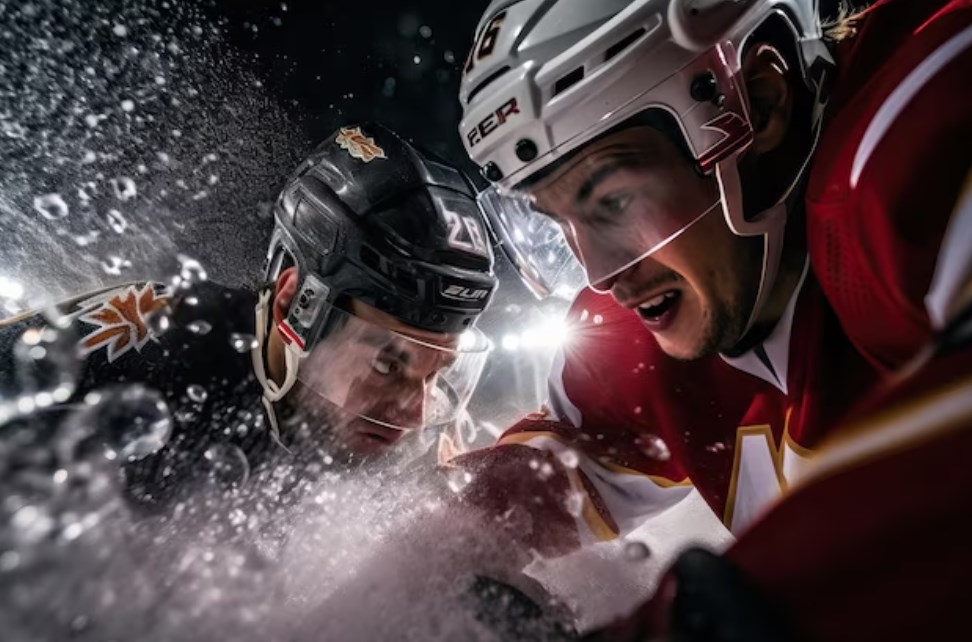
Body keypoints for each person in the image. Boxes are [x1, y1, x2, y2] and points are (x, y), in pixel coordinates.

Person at [450, 0, 971, 560]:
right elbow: (527, 490)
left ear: (761, 103)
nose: (602, 276)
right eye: (561, 223)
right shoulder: (645, 344)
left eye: (614, 201)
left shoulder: (905, 169)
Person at [0, 122, 497, 516]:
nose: (414, 413)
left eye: (436, 374)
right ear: (293, 307)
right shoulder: (160, 329)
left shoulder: (423, 450)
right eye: (388, 365)